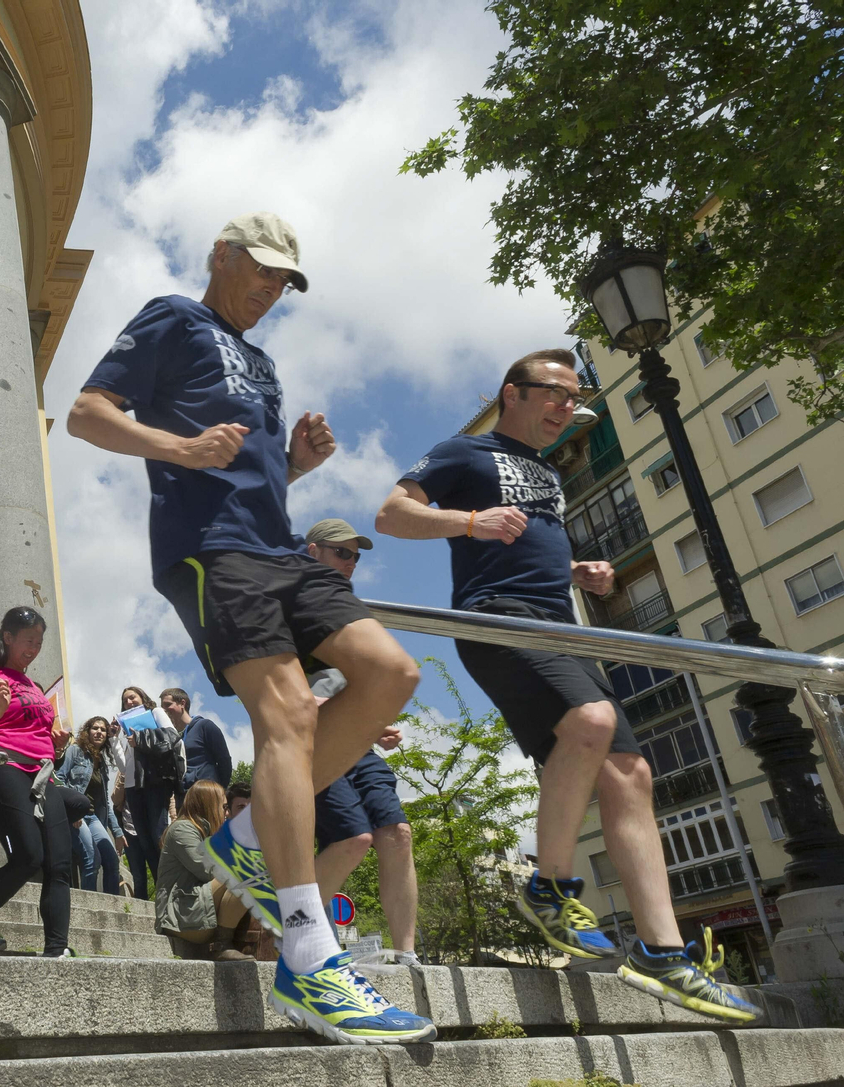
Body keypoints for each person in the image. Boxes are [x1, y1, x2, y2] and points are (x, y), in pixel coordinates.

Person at [68, 210, 433, 1043]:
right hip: (209, 550)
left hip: (280, 548)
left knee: (391, 673)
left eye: (284, 280)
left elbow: (252, 475)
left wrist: (297, 462)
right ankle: (308, 956)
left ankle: (243, 838)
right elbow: (88, 412)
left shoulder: (263, 364)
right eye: (261, 269)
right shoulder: (173, 316)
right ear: (222, 255)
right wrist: (181, 448)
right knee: (291, 714)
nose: (271, 288)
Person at [376, 347, 758, 1022]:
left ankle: (662, 953)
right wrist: (470, 521)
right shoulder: (466, 452)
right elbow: (391, 514)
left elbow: (531, 549)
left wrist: (577, 571)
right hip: (498, 619)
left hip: (563, 627)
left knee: (631, 773)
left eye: (573, 399)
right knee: (592, 721)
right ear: (512, 393)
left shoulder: (548, 472)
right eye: (554, 393)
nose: (565, 408)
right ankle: (549, 887)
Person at [302, 518, 420, 966]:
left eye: (355, 555)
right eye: (342, 552)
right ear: (313, 551)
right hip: (310, 738)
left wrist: (377, 722)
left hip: (358, 740)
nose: (352, 562)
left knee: (398, 834)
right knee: (352, 839)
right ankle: (295, 928)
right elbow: (274, 682)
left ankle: (406, 953)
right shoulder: (292, 600)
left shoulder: (350, 610)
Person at [0, 606, 88, 957]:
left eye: (39, 642)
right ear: (8, 637)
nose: (34, 648)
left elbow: (41, 734)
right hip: (7, 768)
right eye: (28, 640)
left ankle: (57, 949)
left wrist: (57, 743)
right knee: (29, 856)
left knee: (59, 864)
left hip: (43, 773)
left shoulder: (33, 685)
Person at [156, 780, 252, 961]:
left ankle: (234, 944)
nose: (227, 813)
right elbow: (207, 871)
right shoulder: (182, 829)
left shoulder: (206, 831)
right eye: (224, 807)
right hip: (178, 916)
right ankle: (222, 945)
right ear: (209, 804)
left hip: (195, 909)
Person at [117, 685, 184, 900]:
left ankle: (172, 889)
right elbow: (124, 765)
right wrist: (114, 739)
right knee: (145, 842)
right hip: (133, 787)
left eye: (133, 697)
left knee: (157, 836)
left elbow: (172, 736)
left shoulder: (155, 712)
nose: (129, 702)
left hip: (154, 782)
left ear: (142, 698)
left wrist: (141, 739)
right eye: (125, 700)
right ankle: (162, 891)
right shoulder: (124, 725)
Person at [57, 716, 125, 894]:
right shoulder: (75, 751)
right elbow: (59, 779)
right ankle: (90, 903)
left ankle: (113, 905)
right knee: (92, 859)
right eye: (95, 728)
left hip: (93, 817)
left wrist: (117, 832)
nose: (99, 732)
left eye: (103, 730)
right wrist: (73, 809)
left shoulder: (102, 764)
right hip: (76, 815)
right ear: (87, 732)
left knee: (112, 861)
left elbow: (105, 802)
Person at [161, 687, 231, 804]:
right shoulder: (174, 738)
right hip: (183, 798)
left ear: (182, 703)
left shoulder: (204, 726)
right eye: (162, 707)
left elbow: (224, 761)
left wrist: (219, 790)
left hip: (207, 795)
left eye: (168, 705)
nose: (164, 710)